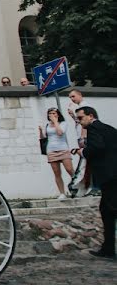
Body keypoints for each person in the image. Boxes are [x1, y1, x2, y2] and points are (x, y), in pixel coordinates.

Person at [75, 107, 117, 260]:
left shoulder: (93, 128)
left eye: (80, 118)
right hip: (113, 174)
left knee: (109, 209)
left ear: (90, 116)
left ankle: (109, 249)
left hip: (109, 176)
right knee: (107, 210)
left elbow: (97, 147)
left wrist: (83, 152)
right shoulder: (109, 129)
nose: (79, 122)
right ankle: (108, 247)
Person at [38, 108, 78, 200]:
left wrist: (55, 122)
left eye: (54, 113)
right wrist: (40, 131)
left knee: (70, 169)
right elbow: (44, 138)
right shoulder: (48, 125)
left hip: (63, 149)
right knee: (57, 173)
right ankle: (62, 193)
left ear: (58, 114)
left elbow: (60, 133)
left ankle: (78, 187)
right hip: (51, 150)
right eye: (50, 113)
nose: (52, 115)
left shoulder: (63, 123)